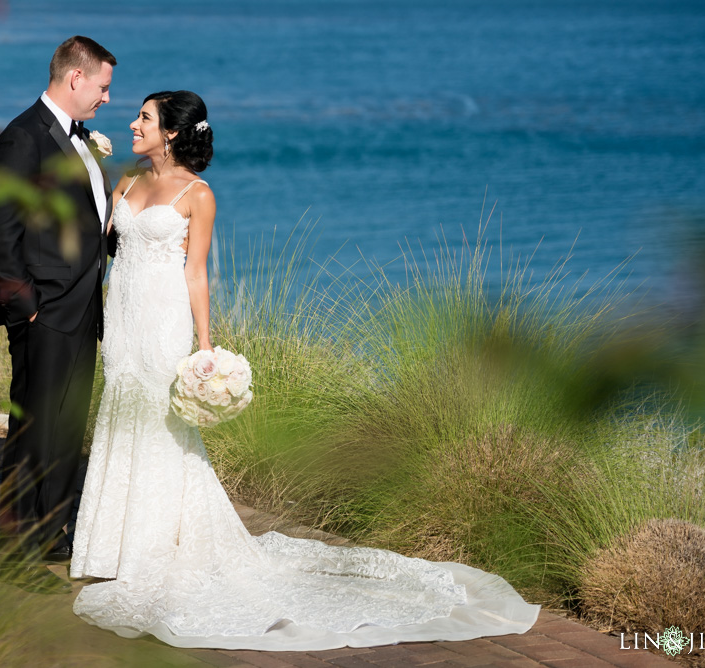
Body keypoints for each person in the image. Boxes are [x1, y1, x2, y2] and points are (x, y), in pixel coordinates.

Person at [70, 90, 540, 649]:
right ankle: (113, 544)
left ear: (170, 133)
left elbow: (196, 274)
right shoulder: (125, 180)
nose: (132, 123)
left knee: (164, 427)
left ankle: (150, 549)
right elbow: (104, 245)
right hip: (122, 319)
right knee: (122, 409)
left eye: (143, 117)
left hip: (162, 322)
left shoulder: (199, 195)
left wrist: (205, 348)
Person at [0, 36, 116, 595]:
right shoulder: (22, 138)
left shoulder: (76, 138)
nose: (108, 99)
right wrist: (26, 309)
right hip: (45, 311)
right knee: (33, 429)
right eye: (103, 87)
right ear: (75, 78)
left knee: (65, 425)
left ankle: (51, 528)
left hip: (83, 308)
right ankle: (15, 550)